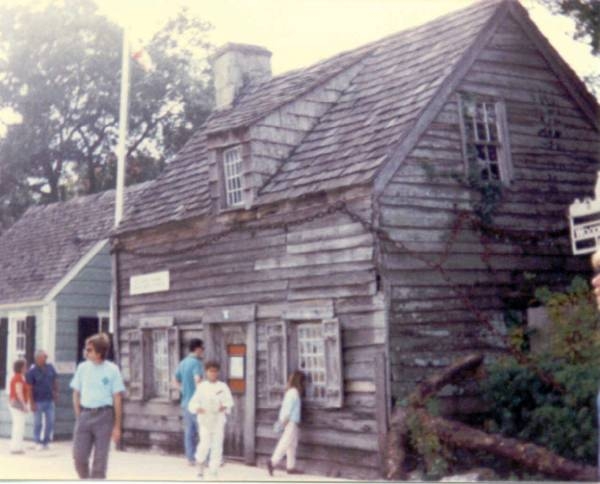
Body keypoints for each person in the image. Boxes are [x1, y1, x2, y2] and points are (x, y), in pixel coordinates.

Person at [70, 333, 125, 479]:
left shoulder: (112, 369)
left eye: (89, 350)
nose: (85, 352)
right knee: (78, 458)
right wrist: (79, 415)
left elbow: (117, 398)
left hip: (104, 416)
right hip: (85, 415)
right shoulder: (82, 368)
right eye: (86, 349)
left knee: (100, 463)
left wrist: (117, 426)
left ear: (99, 353)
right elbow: (76, 393)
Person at [187, 361, 234, 479]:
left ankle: (214, 471)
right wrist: (198, 409)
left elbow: (229, 402)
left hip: (218, 420)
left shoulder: (223, 386)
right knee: (204, 444)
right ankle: (200, 470)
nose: (212, 373)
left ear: (218, 372)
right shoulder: (202, 386)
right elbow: (193, 403)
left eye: (215, 371)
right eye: (210, 371)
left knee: (217, 446)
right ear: (206, 372)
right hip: (205, 421)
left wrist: (224, 406)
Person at [267, 370, 305, 476]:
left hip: (293, 422)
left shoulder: (292, 392)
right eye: (303, 382)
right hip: (290, 422)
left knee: (291, 445)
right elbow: (287, 410)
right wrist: (284, 422)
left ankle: (290, 467)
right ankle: (272, 462)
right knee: (285, 442)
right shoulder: (293, 393)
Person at [174, 338, 205, 466]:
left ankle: (190, 458)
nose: (203, 351)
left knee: (189, 432)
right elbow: (198, 380)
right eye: (202, 349)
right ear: (197, 349)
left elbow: (175, 381)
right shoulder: (197, 363)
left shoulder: (183, 363)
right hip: (197, 404)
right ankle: (204, 459)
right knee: (203, 431)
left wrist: (183, 391)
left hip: (186, 403)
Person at [26, 349, 58, 450]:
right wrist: (31, 403)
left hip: (49, 400)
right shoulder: (32, 371)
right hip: (38, 401)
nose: (46, 358)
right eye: (44, 357)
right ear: (38, 358)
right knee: (38, 422)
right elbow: (29, 388)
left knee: (50, 421)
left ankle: (46, 441)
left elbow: (55, 380)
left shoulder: (50, 367)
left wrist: (56, 392)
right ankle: (37, 441)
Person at [8, 359, 30, 454]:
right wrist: (24, 405)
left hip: (16, 404)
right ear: (21, 368)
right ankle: (15, 447)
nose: (26, 368)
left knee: (18, 426)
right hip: (17, 404)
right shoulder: (18, 378)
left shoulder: (20, 377)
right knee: (18, 426)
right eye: (25, 366)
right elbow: (19, 392)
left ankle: (17, 446)